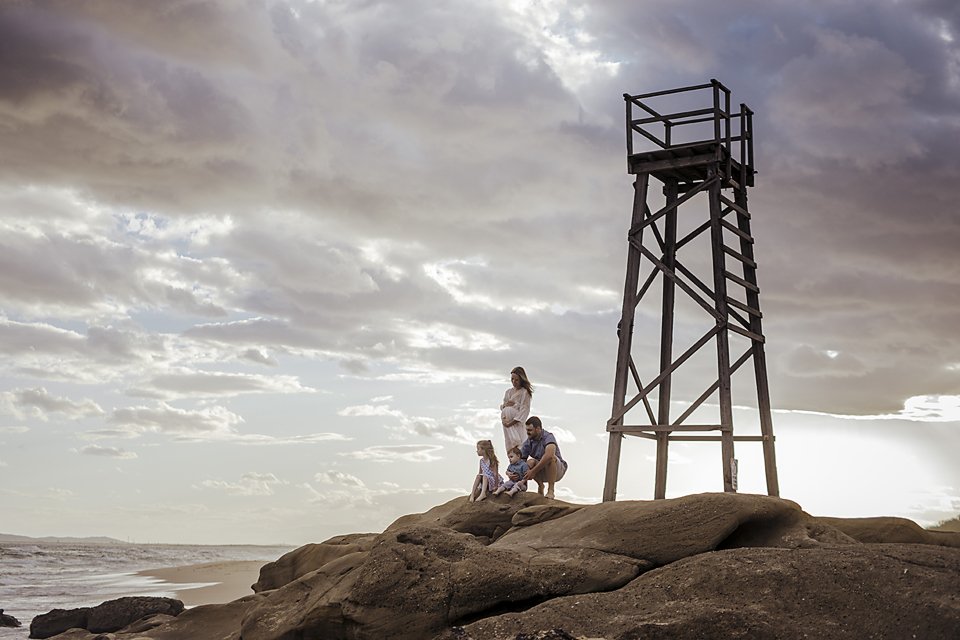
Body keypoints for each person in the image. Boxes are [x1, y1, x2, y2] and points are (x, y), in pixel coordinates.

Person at [518, 416, 567, 499]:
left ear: (538, 429)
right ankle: (540, 486)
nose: (527, 433)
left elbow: (549, 455)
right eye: (526, 430)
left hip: (557, 470)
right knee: (529, 462)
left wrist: (533, 471)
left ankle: (551, 490)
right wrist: (513, 474)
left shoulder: (548, 437)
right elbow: (520, 462)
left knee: (550, 458)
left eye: (530, 430)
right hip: (542, 471)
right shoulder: (528, 443)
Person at [500, 366, 533, 454]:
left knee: (519, 443)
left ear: (521, 379)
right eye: (512, 379)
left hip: (516, 423)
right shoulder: (508, 392)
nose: (514, 382)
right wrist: (505, 406)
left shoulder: (524, 392)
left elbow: (524, 410)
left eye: (516, 380)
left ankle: (521, 463)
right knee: (510, 444)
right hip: (506, 422)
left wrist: (510, 423)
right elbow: (503, 406)